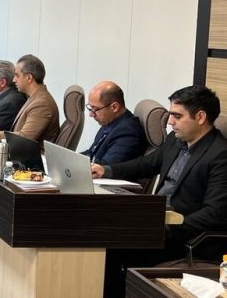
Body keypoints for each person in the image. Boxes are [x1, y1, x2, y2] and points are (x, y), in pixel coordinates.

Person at [92, 86, 227, 297]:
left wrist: (165, 229)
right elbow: (146, 164)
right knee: (101, 233)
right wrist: (106, 170)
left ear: (200, 117)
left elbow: (214, 213)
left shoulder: (220, 155)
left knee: (111, 249)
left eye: (177, 116)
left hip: (185, 237)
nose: (170, 122)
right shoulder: (176, 140)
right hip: (155, 220)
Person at [0, 54, 59, 146]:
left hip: (27, 154)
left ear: (29, 78)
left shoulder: (42, 104)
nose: (14, 80)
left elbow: (24, 138)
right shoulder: (34, 97)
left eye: (17, 75)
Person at [80, 81, 145, 164]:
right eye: (90, 108)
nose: (91, 114)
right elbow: (92, 153)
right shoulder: (110, 122)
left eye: (95, 109)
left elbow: (104, 167)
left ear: (114, 107)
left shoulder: (128, 133)